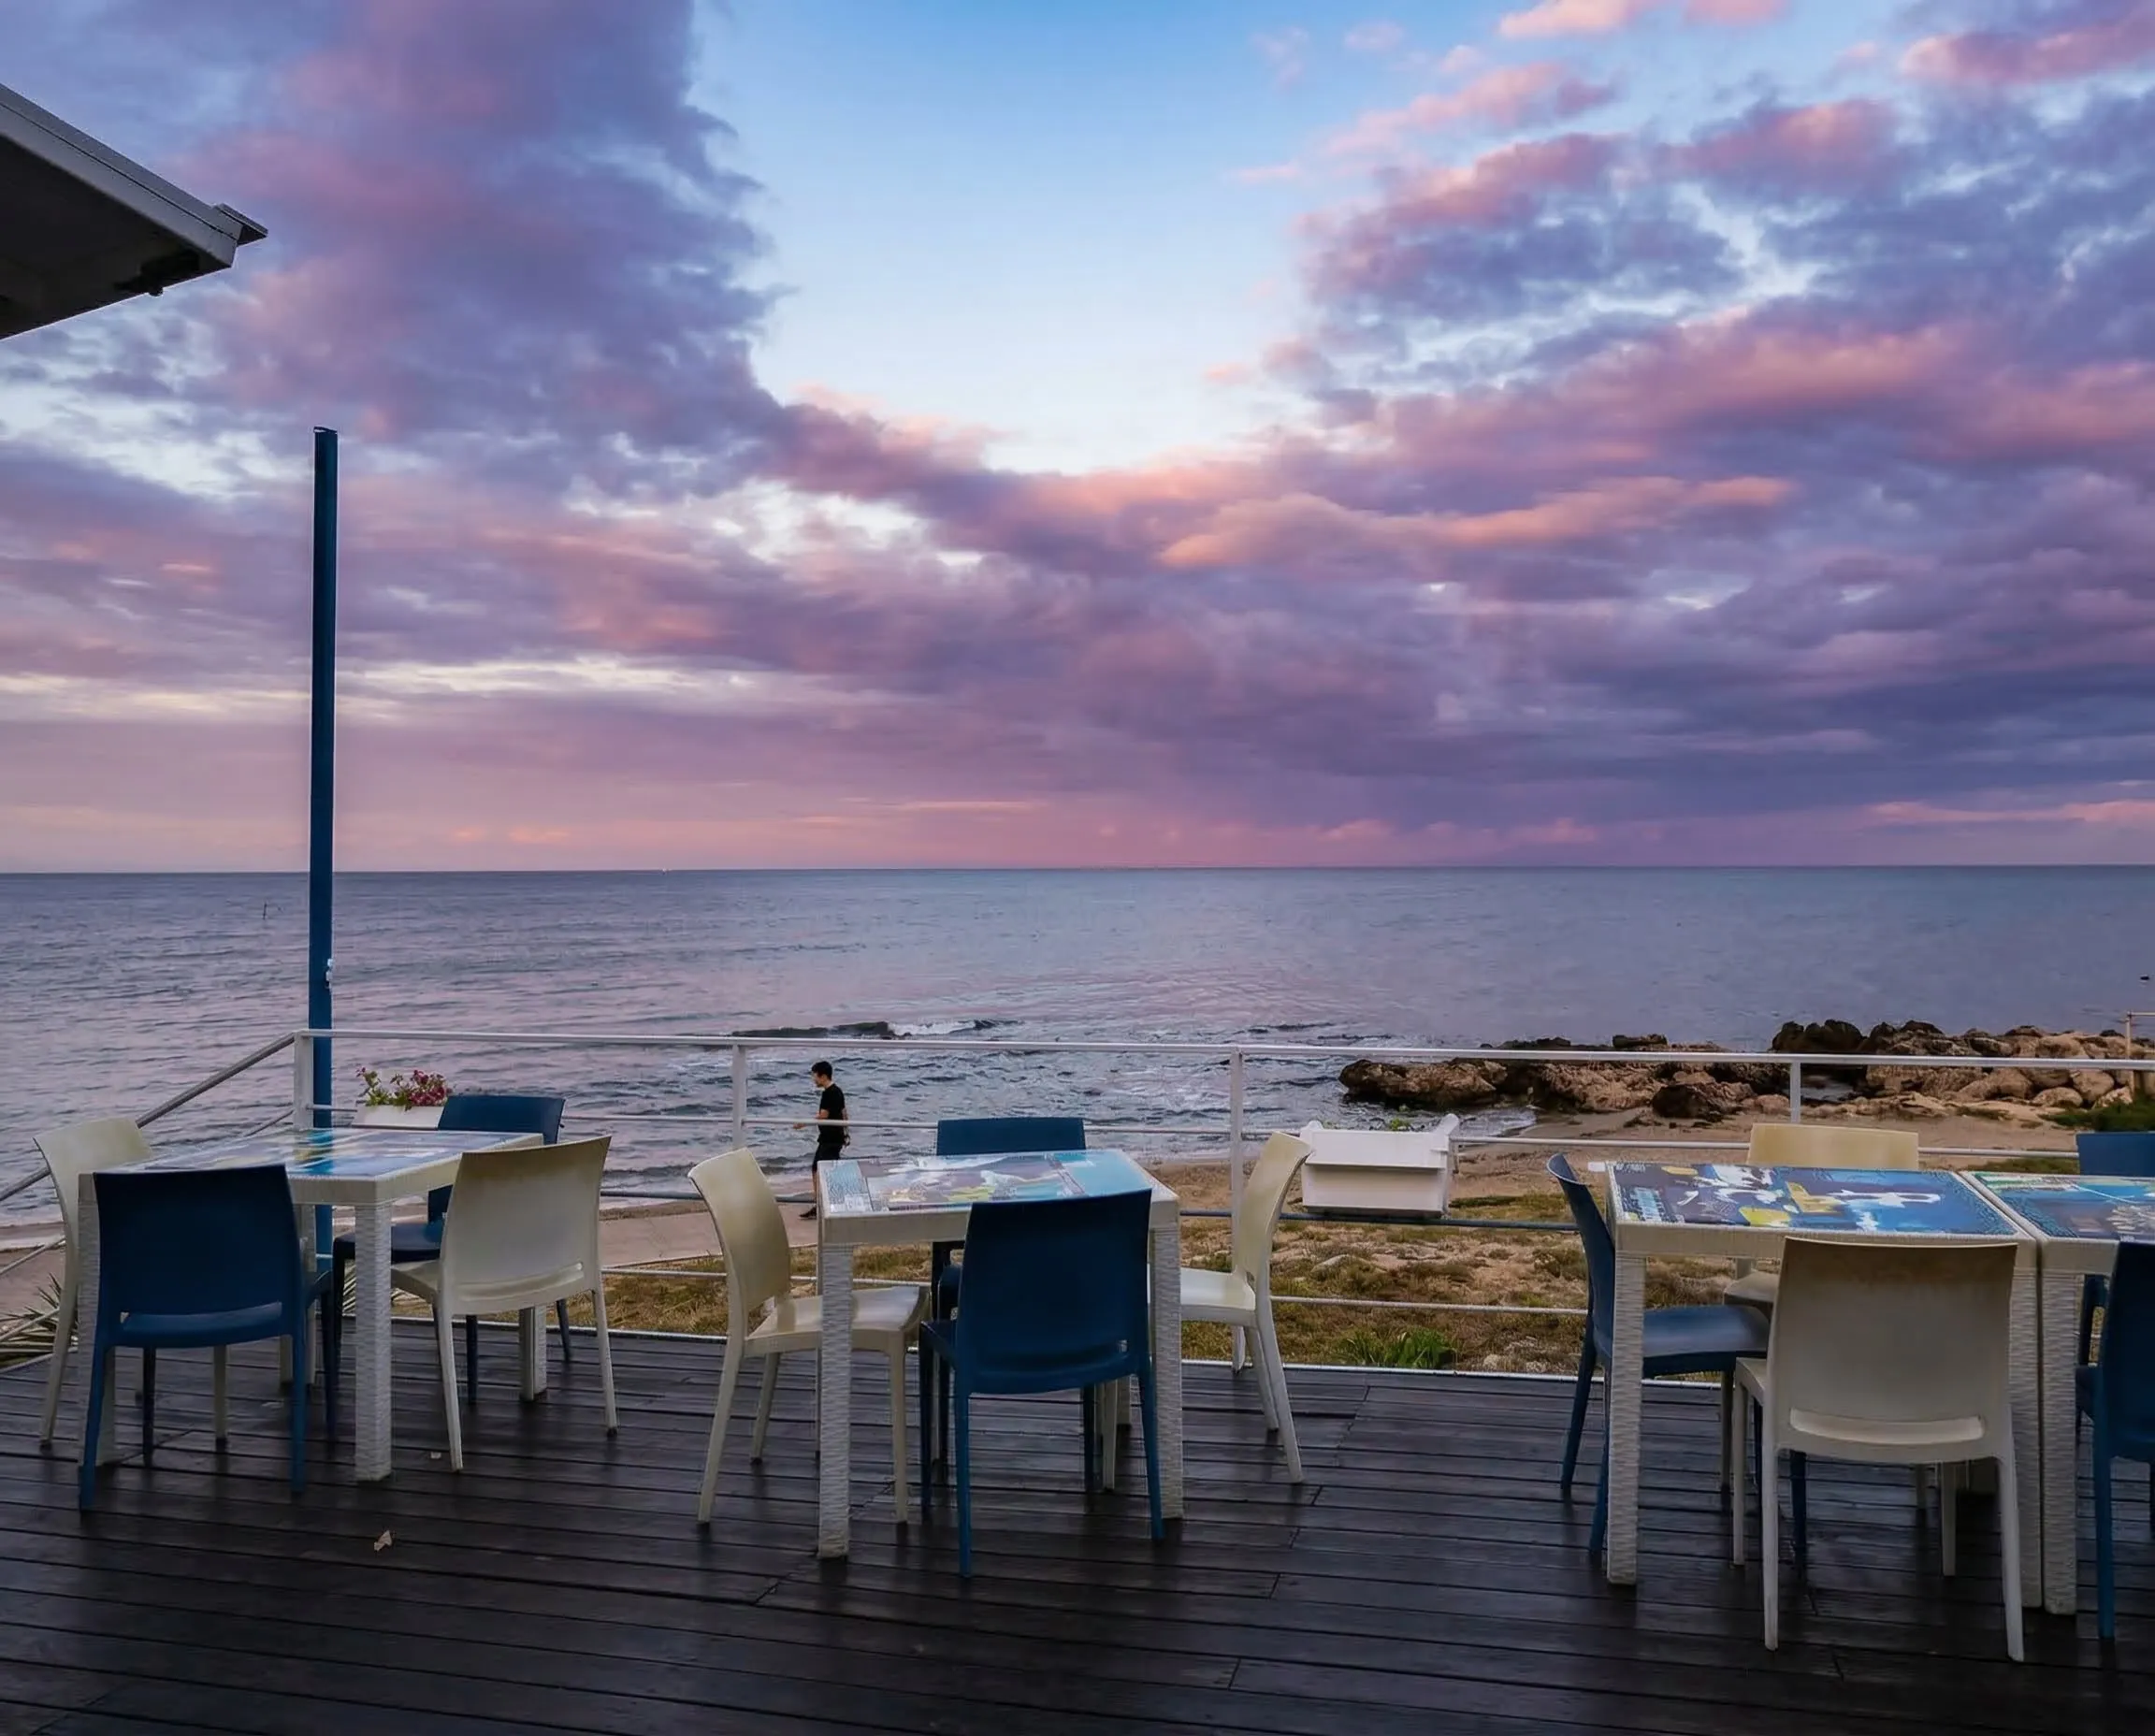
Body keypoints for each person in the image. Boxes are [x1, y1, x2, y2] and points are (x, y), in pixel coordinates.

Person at [797, 1060, 847, 1218]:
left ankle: (822, 1205)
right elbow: (844, 1113)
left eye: (815, 1076)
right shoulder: (838, 1091)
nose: (814, 1080)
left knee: (821, 1169)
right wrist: (846, 1133)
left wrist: (803, 1123)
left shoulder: (829, 1093)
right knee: (825, 1169)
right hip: (834, 1137)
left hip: (830, 1138)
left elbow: (824, 1116)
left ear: (823, 1076)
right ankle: (826, 1203)